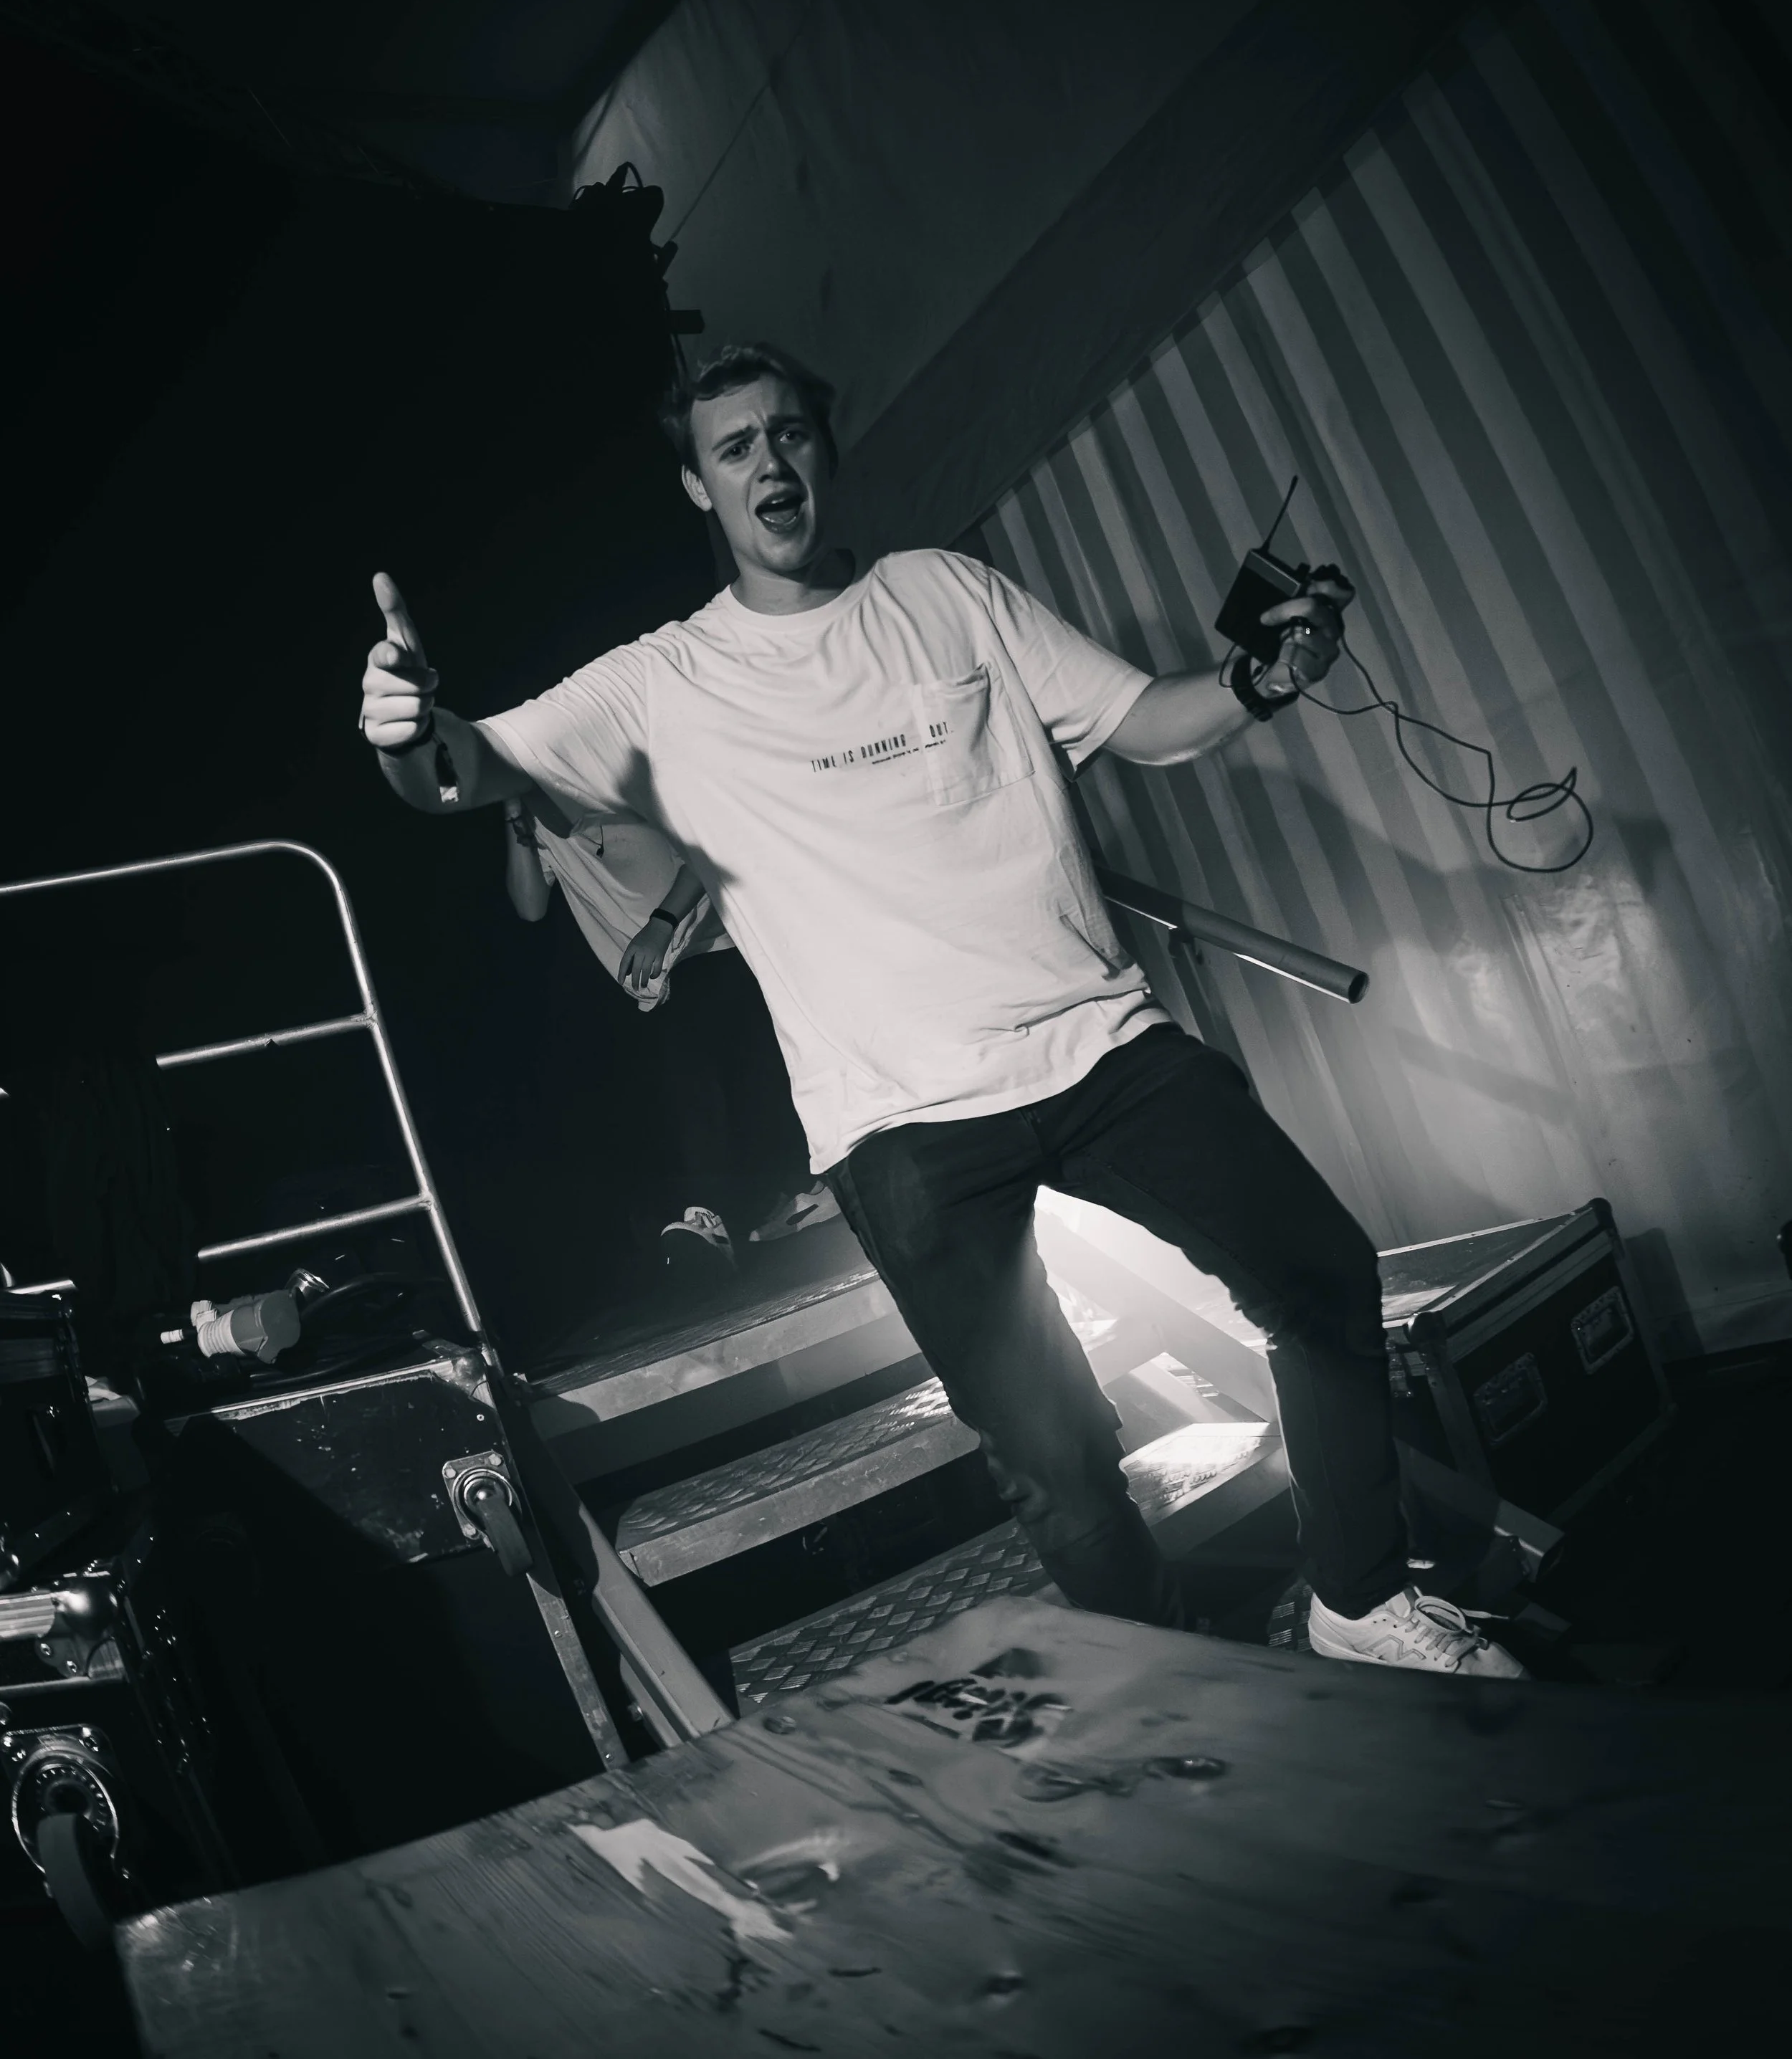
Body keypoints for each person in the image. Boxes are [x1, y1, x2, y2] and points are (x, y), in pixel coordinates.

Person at [360, 340, 1522, 1680]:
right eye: (734, 448)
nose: (769, 463)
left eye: (790, 434)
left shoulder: (947, 593)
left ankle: (1358, 1599)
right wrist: (405, 728)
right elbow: (464, 768)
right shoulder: (661, 682)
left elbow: (1149, 719)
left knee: (1320, 1271)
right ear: (698, 488)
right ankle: (1181, 1688)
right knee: (1055, 1456)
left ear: (823, 453)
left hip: (1101, 1046)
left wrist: (1260, 678)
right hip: (901, 1122)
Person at [499, 788, 826, 1270]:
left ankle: (736, 1207)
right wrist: (513, 820)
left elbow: (703, 847)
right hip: (658, 976)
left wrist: (662, 924)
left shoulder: (609, 781)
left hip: (714, 938)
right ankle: (761, 1202)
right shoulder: (534, 823)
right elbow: (530, 906)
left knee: (708, 1073)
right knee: (691, 1084)